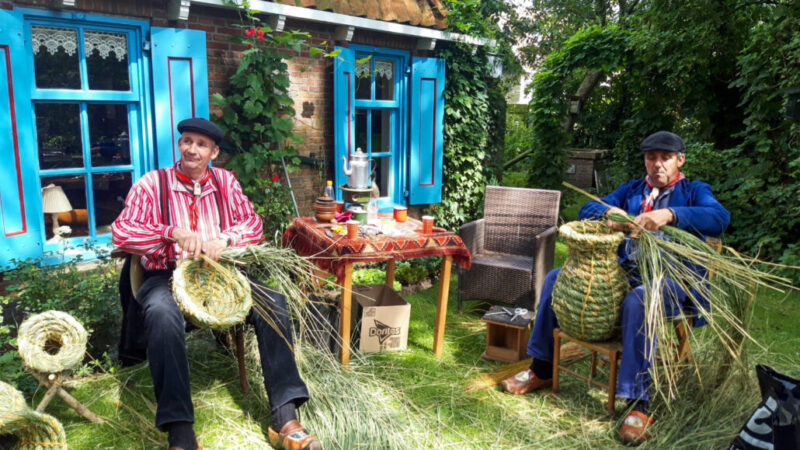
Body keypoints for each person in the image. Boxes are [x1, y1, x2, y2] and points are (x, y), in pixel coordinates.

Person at [499, 131, 730, 445]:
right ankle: (541, 368)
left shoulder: (694, 191)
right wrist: (611, 214)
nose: (658, 164)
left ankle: (639, 404)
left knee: (638, 300)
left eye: (665, 158)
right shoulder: (634, 189)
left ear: (680, 160)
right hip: (627, 273)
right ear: (645, 160)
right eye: (652, 157)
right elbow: (588, 209)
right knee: (556, 277)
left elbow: (719, 218)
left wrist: (670, 214)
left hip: (673, 281)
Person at [112, 118, 321, 450]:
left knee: (273, 303)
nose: (192, 149)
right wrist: (170, 232)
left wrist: (224, 238)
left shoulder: (225, 182)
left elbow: (253, 225)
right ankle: (180, 431)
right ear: (179, 145)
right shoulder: (153, 183)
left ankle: (285, 417)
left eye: (201, 144)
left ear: (214, 152)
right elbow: (121, 232)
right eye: (186, 141)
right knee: (162, 316)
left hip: (221, 276)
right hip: (165, 275)